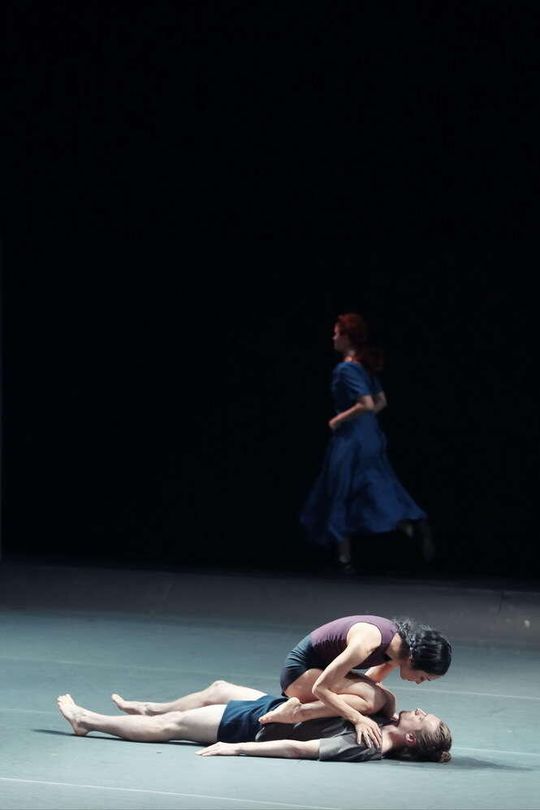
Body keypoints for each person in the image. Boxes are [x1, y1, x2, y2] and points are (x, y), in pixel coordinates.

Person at [300, 312, 434, 574]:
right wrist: (362, 421)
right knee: (372, 491)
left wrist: (338, 420)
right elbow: (381, 402)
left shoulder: (346, 368)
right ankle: (408, 525)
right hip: (370, 436)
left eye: (337, 333)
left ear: (347, 338)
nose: (333, 338)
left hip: (351, 439)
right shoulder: (363, 366)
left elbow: (367, 403)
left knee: (339, 492)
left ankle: (344, 558)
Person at [56, 676, 452, 763]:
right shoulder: (385, 718)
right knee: (217, 688)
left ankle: (87, 721)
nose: (419, 712)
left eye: (423, 719)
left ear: (411, 739)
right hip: (278, 708)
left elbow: (300, 749)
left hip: (258, 727)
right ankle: (149, 707)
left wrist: (237, 748)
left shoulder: (366, 745)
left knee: (174, 727)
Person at [277, 615, 452, 746]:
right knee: (373, 699)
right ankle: (297, 712)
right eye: (423, 677)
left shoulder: (400, 647)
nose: (419, 683)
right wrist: (358, 719)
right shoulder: (367, 643)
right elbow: (320, 689)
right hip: (298, 674)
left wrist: (385, 713)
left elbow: (372, 681)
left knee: (385, 699)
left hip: (317, 670)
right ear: (412, 660)